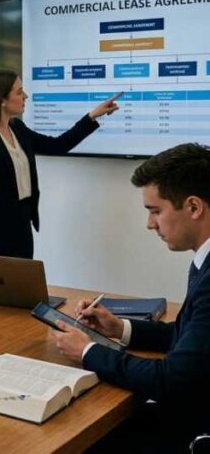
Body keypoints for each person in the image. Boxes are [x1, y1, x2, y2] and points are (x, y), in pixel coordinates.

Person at [52, 143, 210, 452]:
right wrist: (120, 328)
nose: (150, 224)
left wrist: (87, 352)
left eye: (155, 211)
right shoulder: (204, 260)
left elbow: (171, 379)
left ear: (193, 207)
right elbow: (190, 339)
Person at [0, 69, 120, 258]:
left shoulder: (17, 128)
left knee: (23, 287)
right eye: (19, 92)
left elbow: (56, 145)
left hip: (20, 229)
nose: (25, 96)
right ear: (1, 100)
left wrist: (92, 117)